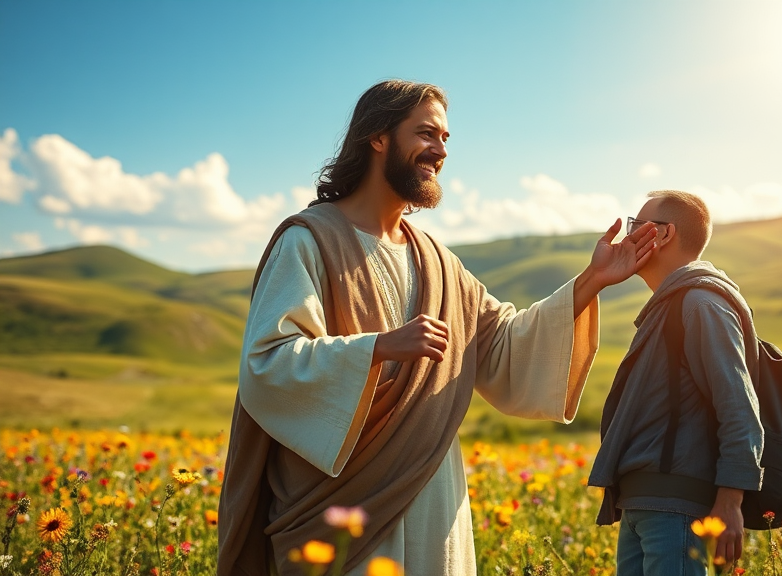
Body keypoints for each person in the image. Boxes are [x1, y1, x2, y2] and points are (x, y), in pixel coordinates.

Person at [216, 80, 657, 576]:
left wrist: (591, 281)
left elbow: (501, 347)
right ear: (378, 136)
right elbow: (269, 362)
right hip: (341, 510)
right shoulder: (308, 242)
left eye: (446, 139)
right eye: (427, 134)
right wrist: (379, 348)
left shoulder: (439, 263)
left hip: (433, 497)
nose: (440, 150)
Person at [588, 190, 765, 575]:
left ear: (663, 235)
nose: (626, 237)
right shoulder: (670, 304)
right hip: (645, 504)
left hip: (677, 507)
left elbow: (739, 408)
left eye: (635, 226)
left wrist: (730, 502)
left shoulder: (701, 304)